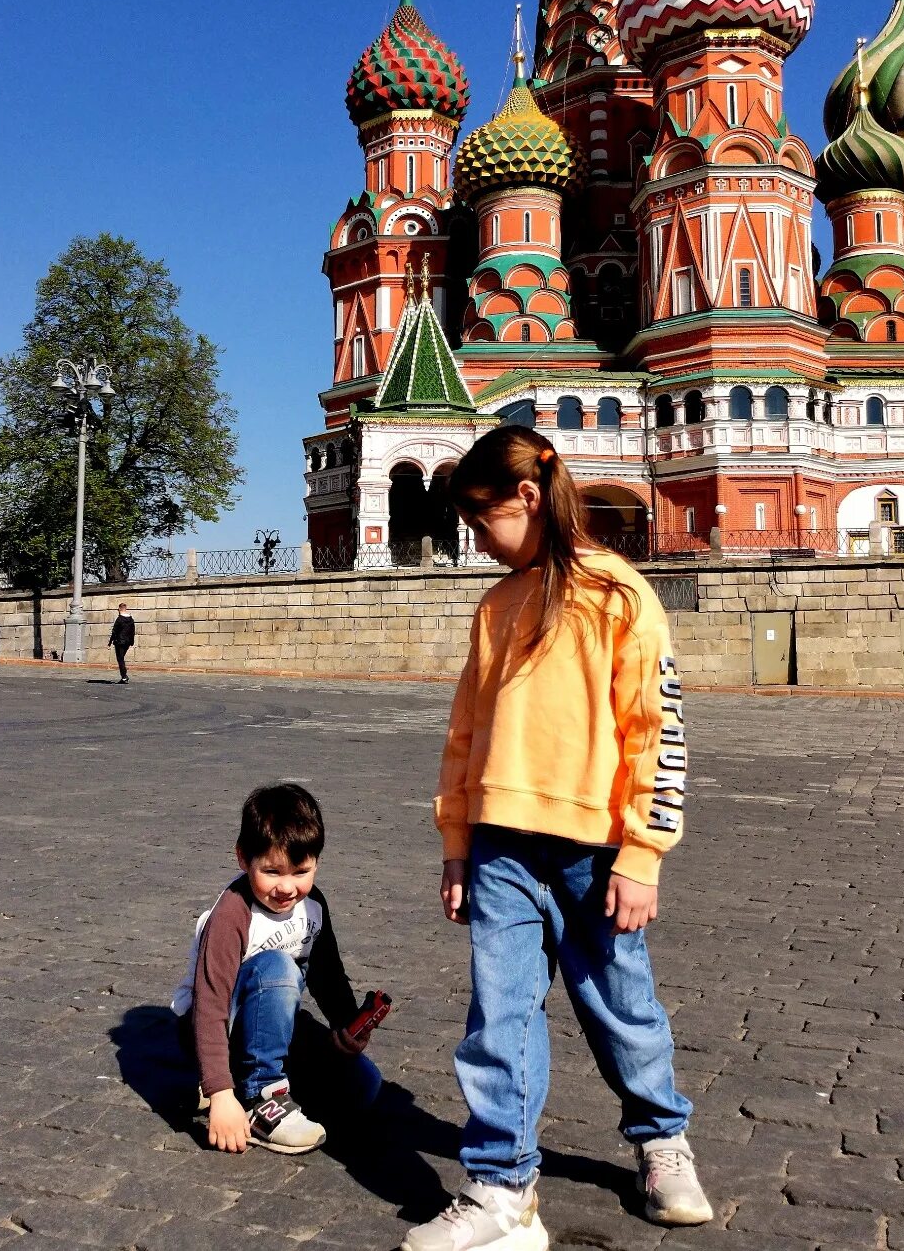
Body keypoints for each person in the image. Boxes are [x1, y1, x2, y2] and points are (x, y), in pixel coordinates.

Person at [402, 425, 710, 1251]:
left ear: (529, 498)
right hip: (501, 848)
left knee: (622, 1009)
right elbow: (465, 732)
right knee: (498, 1019)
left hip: (595, 852)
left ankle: (660, 1140)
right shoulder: (496, 606)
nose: (476, 542)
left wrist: (643, 853)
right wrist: (456, 843)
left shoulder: (618, 595)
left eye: (482, 522)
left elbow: (656, 731)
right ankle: (504, 1188)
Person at [169, 783, 381, 1155]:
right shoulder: (231, 915)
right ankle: (260, 1097)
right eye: (271, 871)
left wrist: (346, 1024)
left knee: (364, 1086)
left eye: (300, 871)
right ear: (242, 859)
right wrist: (221, 1094)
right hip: (215, 1026)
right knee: (277, 968)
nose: (286, 887)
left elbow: (326, 973)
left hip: (270, 1021)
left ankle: (274, 1078)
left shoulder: (313, 905)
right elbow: (210, 1004)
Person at [109, 603, 136, 683]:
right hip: (127, 642)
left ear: (119, 609)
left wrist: (110, 642)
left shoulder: (119, 619)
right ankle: (124, 676)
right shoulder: (131, 619)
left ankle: (124, 676)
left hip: (119, 641)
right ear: (126, 609)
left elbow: (114, 631)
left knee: (120, 659)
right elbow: (133, 631)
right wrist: (132, 642)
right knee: (121, 658)